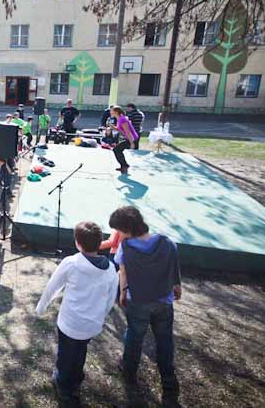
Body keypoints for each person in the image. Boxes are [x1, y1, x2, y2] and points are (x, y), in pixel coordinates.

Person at [35, 221, 119, 403]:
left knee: (65, 354)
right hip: (91, 326)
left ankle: (64, 386)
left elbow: (52, 287)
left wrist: (41, 307)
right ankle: (76, 380)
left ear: (77, 243)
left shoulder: (71, 263)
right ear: (100, 243)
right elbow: (111, 298)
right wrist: (101, 317)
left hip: (69, 323)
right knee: (81, 350)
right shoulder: (111, 269)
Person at [112, 206, 181, 402]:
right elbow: (173, 264)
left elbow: (123, 273)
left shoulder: (126, 247)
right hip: (163, 301)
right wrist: (177, 285)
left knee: (134, 337)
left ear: (127, 229)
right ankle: (169, 383)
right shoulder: (167, 242)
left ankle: (129, 371)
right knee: (164, 340)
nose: (119, 234)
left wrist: (123, 293)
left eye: (119, 230)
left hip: (138, 301)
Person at [108, 106, 139, 174]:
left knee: (116, 150)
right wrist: (113, 127)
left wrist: (132, 143)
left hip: (132, 138)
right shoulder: (119, 118)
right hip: (129, 138)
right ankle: (124, 165)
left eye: (112, 111)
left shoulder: (122, 119)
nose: (110, 112)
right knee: (117, 150)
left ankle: (124, 166)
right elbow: (120, 129)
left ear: (116, 112)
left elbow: (127, 131)